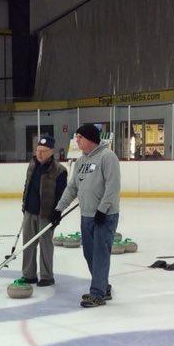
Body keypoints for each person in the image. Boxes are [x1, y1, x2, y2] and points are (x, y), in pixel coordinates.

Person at [52, 123, 121, 307]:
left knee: (100, 254)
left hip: (104, 216)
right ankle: (103, 285)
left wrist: (102, 209)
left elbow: (112, 187)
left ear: (90, 138)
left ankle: (97, 293)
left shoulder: (108, 157)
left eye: (80, 138)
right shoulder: (81, 161)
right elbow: (72, 187)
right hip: (87, 215)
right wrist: (59, 208)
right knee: (88, 253)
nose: (77, 141)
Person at [21, 135, 67, 287]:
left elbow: (62, 194)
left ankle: (47, 276)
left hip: (46, 214)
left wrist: (57, 212)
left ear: (51, 152)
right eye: (37, 150)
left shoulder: (59, 171)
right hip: (29, 211)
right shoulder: (32, 165)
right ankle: (29, 275)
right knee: (28, 244)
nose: (39, 154)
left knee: (45, 245)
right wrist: (24, 203)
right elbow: (27, 185)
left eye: (43, 151)